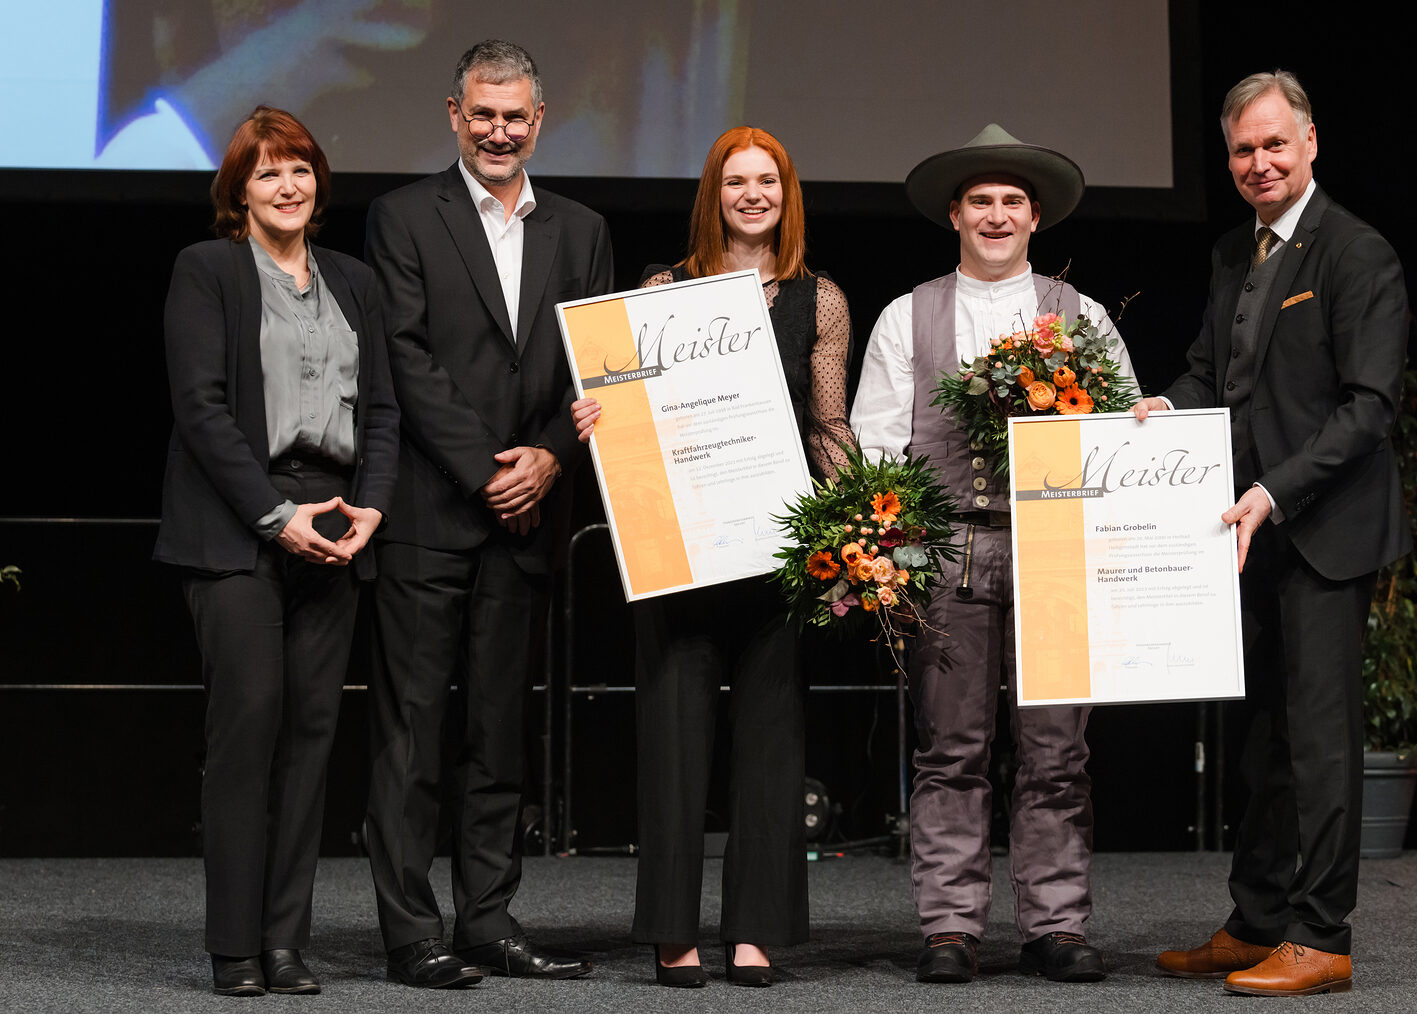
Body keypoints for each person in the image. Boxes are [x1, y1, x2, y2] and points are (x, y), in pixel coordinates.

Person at [1143, 70, 1410, 997]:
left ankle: (1321, 935)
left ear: (1310, 142)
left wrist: (1273, 490)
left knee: (1321, 743)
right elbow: (1212, 373)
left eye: (1274, 145)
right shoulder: (1233, 254)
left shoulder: (1356, 252)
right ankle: (1256, 921)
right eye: (1243, 150)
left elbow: (1368, 409)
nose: (1259, 163)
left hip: (1321, 531)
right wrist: (1160, 410)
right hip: (1246, 536)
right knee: (1260, 743)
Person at [852, 125, 1135, 985]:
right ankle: (949, 924)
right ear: (954, 214)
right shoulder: (910, 314)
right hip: (950, 548)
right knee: (951, 746)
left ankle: (1054, 922)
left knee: (1058, 748)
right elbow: (875, 445)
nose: (997, 214)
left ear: (1036, 216)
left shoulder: (1079, 317)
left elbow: (1121, 436)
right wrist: (894, 551)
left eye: (1012, 200)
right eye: (981, 200)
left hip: (1055, 549)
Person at [572, 126, 854, 988]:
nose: (753, 194)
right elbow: (630, 411)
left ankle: (757, 928)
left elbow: (829, 423)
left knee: (771, 748)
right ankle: (671, 929)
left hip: (776, 554)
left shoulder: (823, 298)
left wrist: (849, 532)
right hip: (681, 553)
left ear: (787, 191)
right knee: (673, 743)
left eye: (767, 180)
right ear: (714, 194)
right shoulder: (665, 288)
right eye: (736, 181)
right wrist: (599, 422)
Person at [362, 39, 613, 988]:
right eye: (482, 114)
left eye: (515, 116)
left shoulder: (581, 229)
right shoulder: (401, 216)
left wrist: (548, 457)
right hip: (434, 512)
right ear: (455, 116)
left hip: (530, 518)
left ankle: (488, 919)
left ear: (539, 122)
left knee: (498, 736)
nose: (499, 130)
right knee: (413, 734)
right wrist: (486, 470)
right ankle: (409, 931)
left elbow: (594, 365)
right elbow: (405, 358)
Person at [152, 105, 399, 997]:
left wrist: (371, 509)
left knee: (310, 739)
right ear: (239, 193)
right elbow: (202, 408)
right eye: (267, 174)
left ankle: (285, 940)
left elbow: (382, 412)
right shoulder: (208, 270)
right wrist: (273, 515)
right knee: (248, 730)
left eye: (298, 169)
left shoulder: (354, 281)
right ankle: (235, 948)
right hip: (236, 528)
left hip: (334, 524)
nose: (287, 186)